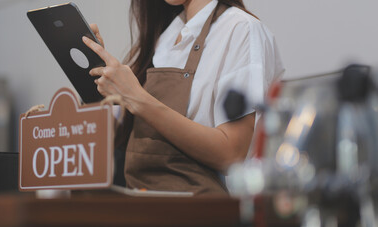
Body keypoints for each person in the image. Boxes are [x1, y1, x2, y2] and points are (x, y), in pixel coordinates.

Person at [83, 0, 284, 195]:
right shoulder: (165, 38)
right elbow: (120, 142)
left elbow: (232, 154)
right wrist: (101, 77)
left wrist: (137, 97)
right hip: (144, 203)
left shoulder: (241, 29)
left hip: (202, 213)